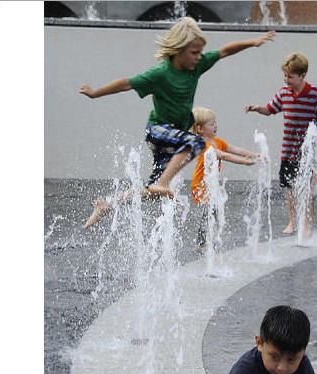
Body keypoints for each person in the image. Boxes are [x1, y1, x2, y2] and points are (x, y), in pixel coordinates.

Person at [79, 17, 275, 228]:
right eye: (194, 53)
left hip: (173, 136)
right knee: (196, 143)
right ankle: (162, 183)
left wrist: (252, 42)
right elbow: (127, 84)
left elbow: (225, 51)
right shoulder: (160, 74)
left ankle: (106, 205)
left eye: (200, 52)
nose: (198, 57)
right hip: (158, 130)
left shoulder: (196, 67)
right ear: (178, 50)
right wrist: (94, 93)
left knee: (151, 191)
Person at [245, 53, 317, 237]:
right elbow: (270, 109)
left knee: (305, 190)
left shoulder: (314, 94)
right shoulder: (284, 93)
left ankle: (306, 224)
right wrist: (258, 108)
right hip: (287, 151)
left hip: (306, 152)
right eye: (285, 76)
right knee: (290, 189)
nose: (286, 79)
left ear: (302, 75)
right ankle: (292, 221)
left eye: (290, 76)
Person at [190, 107, 260, 250]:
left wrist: (254, 154)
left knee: (211, 212)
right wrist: (244, 162)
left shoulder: (217, 141)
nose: (215, 126)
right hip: (201, 184)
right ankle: (202, 244)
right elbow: (223, 155)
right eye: (211, 124)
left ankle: (202, 242)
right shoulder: (203, 144)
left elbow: (235, 150)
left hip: (210, 183)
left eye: (215, 122)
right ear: (200, 129)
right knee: (211, 211)